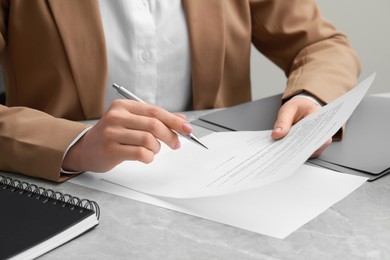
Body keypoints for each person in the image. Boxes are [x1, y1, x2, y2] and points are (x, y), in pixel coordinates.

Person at [0, 0, 360, 182]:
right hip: (72, 192)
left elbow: (324, 45)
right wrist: (74, 143)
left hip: (221, 185)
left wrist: (311, 99)